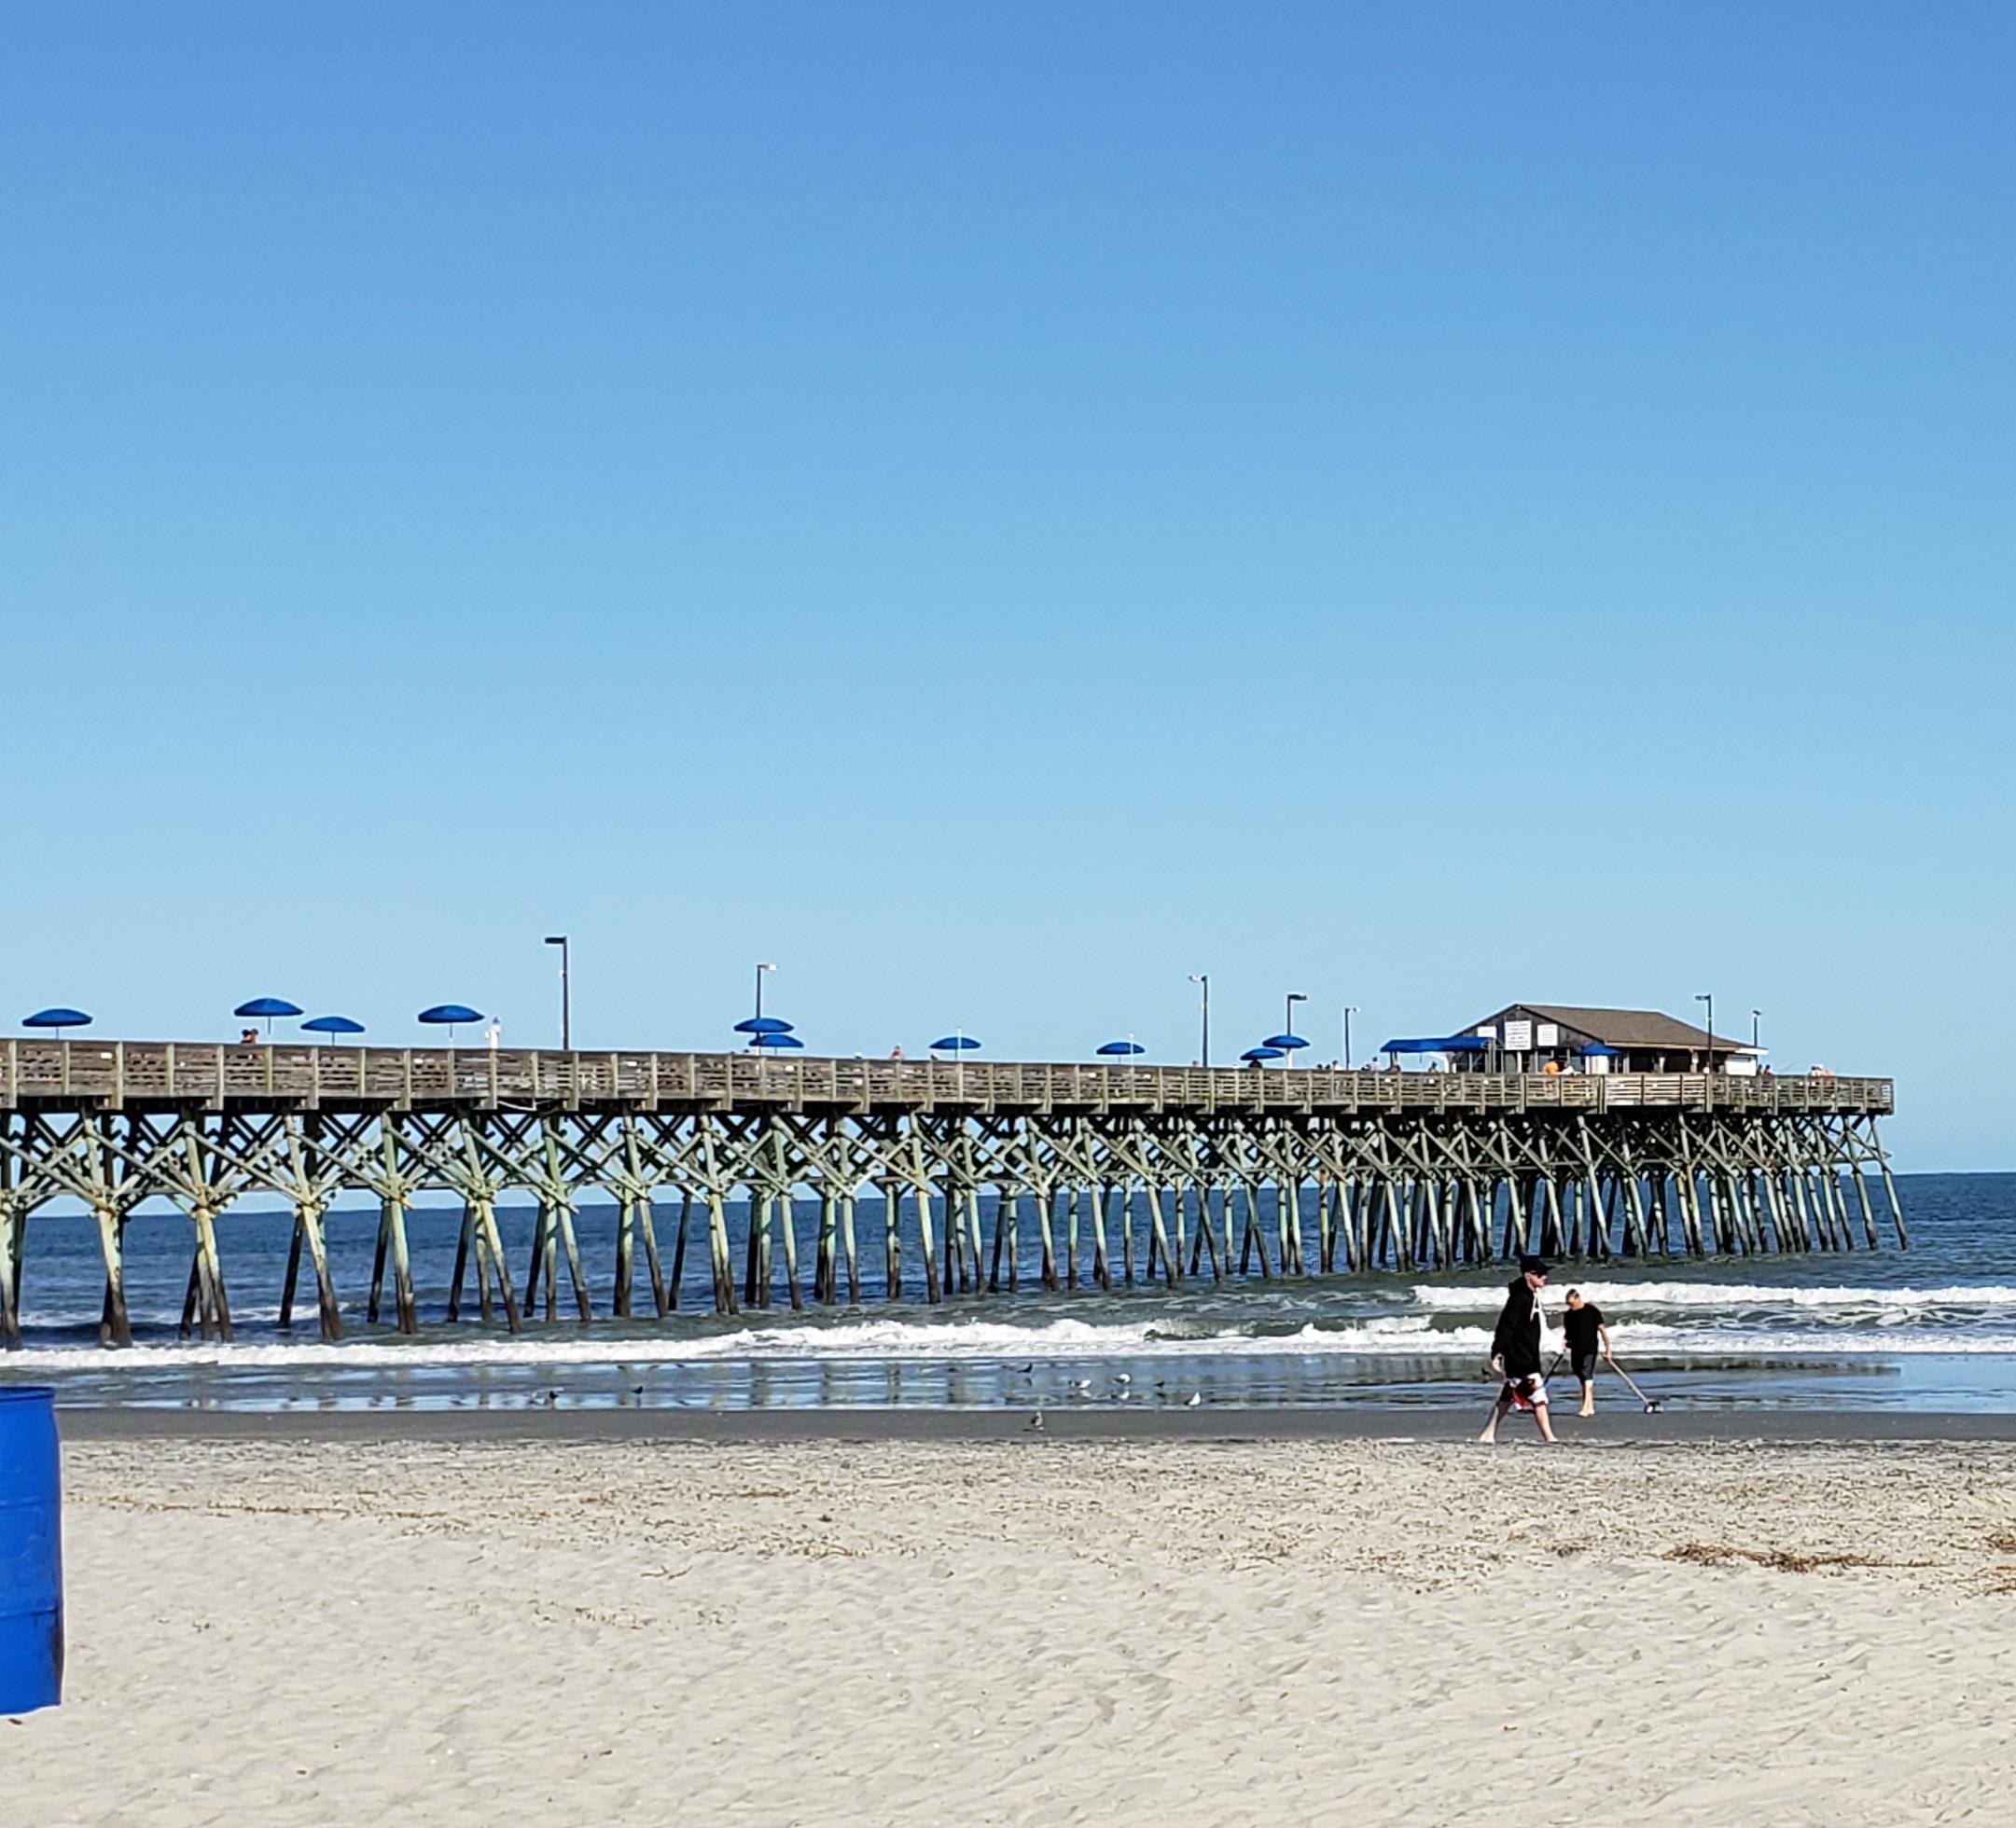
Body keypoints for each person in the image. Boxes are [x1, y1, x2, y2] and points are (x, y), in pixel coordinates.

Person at [1480, 1255, 1559, 1444]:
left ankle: (1488, 1434)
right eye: (1540, 1274)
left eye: (1545, 1273)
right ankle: (1549, 1437)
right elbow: (1506, 1325)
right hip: (1519, 1356)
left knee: (1507, 1397)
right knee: (1538, 1396)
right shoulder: (1519, 1298)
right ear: (1528, 1275)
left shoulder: (1531, 1296)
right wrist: (1497, 1351)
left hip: (1528, 1352)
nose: (1544, 1277)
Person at [1561, 1289, 1612, 1418]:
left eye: (1572, 1303)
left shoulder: (1591, 1311)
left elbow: (1602, 1331)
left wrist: (1608, 1349)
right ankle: (1590, 1407)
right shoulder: (1568, 1315)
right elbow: (1568, 1334)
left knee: (1586, 1374)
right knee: (1580, 1375)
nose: (1571, 1307)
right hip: (1576, 1349)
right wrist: (1565, 1343)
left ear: (1578, 1298)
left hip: (1590, 1348)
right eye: (1568, 1304)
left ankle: (1585, 1407)